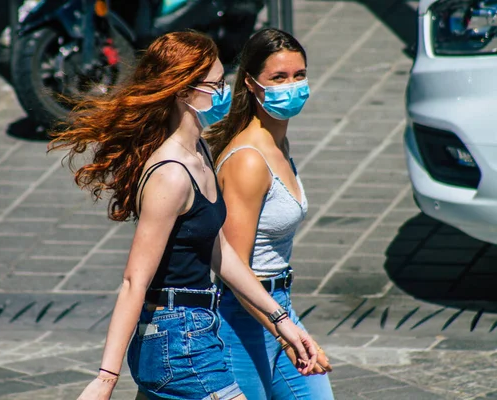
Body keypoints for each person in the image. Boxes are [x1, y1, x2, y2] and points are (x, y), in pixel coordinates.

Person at [48, 31, 320, 400]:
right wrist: (105, 380)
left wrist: (281, 321)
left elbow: (221, 252)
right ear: (183, 91)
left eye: (224, 81)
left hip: (194, 331)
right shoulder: (171, 174)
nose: (224, 92)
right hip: (177, 340)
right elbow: (133, 282)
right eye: (215, 84)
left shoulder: (200, 153)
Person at [206, 28, 335, 399]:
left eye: (299, 75)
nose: (291, 85)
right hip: (244, 321)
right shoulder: (249, 160)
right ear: (251, 84)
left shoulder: (278, 143)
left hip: (279, 307)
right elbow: (234, 270)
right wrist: (286, 331)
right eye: (278, 77)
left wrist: (286, 325)